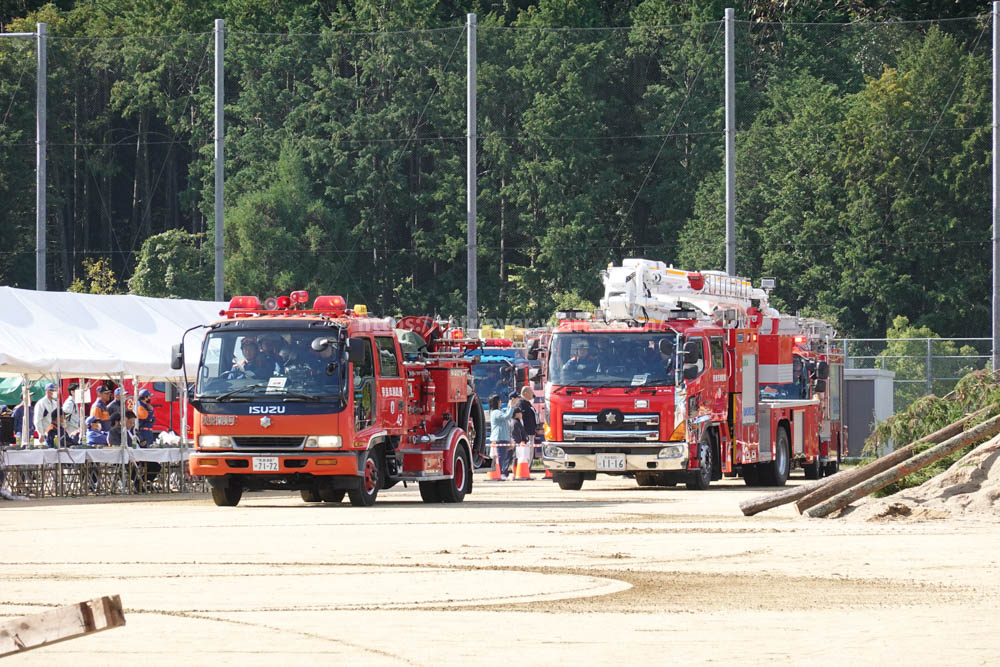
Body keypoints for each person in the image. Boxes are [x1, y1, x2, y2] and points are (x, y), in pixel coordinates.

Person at [488, 393, 518, 480]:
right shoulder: (496, 412)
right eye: (499, 401)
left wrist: (510, 405)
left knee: (503, 456)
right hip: (499, 437)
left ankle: (500, 472)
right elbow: (507, 416)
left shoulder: (498, 411)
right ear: (496, 402)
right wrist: (511, 407)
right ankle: (499, 473)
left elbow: (506, 412)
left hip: (503, 437)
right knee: (501, 456)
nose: (501, 402)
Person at [33, 383, 62, 447]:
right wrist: (41, 433)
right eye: (54, 391)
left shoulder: (55, 403)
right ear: (48, 392)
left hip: (55, 431)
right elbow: (37, 420)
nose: (55, 392)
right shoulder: (41, 403)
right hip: (45, 432)